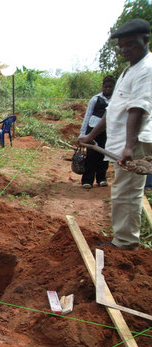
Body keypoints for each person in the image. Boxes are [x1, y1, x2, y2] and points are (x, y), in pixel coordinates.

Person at [79, 18, 152, 250]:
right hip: (123, 141)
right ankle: (123, 238)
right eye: (121, 45)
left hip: (135, 142)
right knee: (122, 190)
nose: (124, 49)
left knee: (127, 192)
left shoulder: (146, 69)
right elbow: (113, 111)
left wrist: (129, 147)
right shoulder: (128, 70)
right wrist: (90, 137)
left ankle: (126, 243)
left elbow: (137, 109)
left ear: (145, 40)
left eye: (129, 44)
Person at [79, 75, 115, 188]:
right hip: (93, 129)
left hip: (108, 131)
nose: (107, 89)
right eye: (106, 87)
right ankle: (87, 180)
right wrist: (82, 134)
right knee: (91, 155)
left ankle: (101, 178)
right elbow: (87, 116)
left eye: (110, 87)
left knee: (104, 155)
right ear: (102, 87)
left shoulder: (116, 100)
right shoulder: (95, 99)